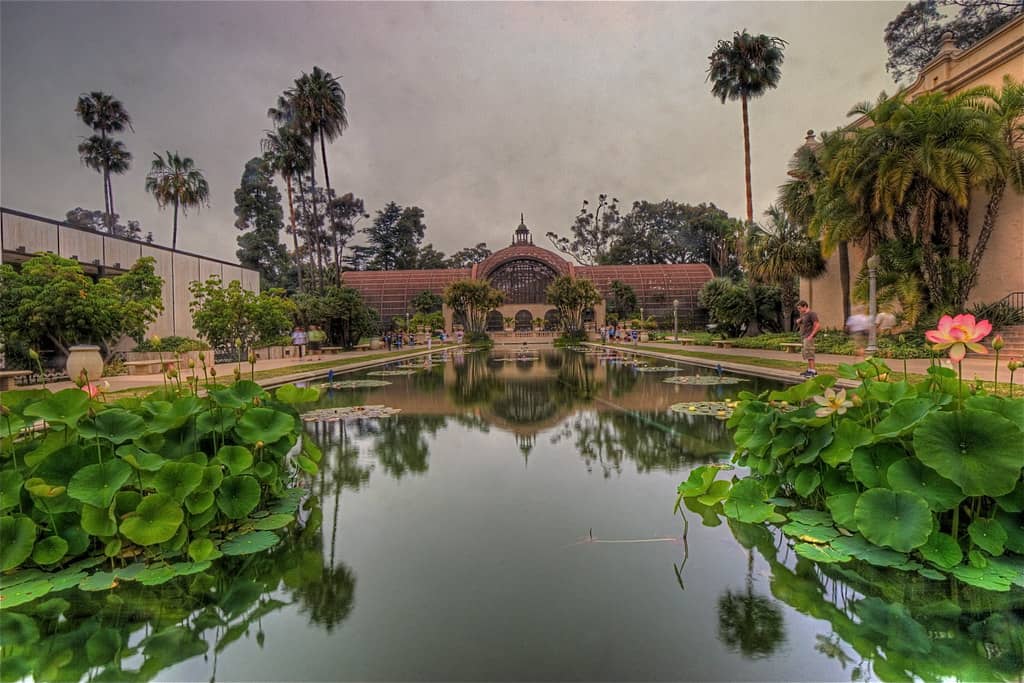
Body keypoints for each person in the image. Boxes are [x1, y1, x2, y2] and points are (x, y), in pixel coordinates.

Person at [796, 301, 820, 377]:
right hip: (804, 337)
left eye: (800, 308)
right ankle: (809, 370)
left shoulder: (812, 314)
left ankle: (813, 371)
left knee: (810, 354)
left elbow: (817, 325)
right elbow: (803, 325)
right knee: (806, 354)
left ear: (805, 306)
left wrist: (811, 336)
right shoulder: (804, 315)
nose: (799, 310)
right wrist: (799, 321)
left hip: (808, 337)